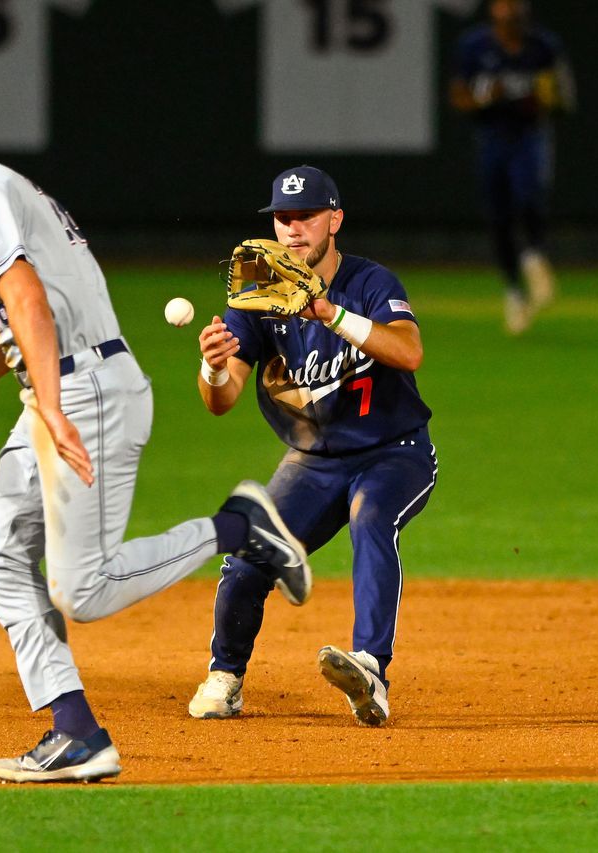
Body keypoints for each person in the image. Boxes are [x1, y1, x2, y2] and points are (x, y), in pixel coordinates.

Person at [0, 71, 312, 783]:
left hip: (83, 387)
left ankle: (238, 528)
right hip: (65, 384)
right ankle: (76, 731)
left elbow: (28, 301)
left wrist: (55, 405)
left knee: (84, 590)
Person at [188, 166, 438, 727]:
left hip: (394, 451)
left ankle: (370, 667)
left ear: (335, 219)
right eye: (283, 217)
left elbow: (409, 351)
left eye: (305, 216)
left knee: (371, 516)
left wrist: (330, 313)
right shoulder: (258, 295)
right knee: (248, 556)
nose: (293, 228)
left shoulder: (371, 284)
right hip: (312, 462)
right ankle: (225, 677)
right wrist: (210, 365)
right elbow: (221, 398)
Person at [449, 0, 575, 334]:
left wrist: (546, 97)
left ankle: (534, 256)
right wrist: (485, 97)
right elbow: (459, 96)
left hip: (528, 136)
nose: (510, 19)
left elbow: (564, 97)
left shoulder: (544, 46)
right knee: (499, 218)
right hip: (492, 139)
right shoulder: (475, 46)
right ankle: (514, 292)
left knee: (529, 194)